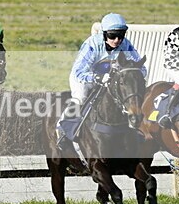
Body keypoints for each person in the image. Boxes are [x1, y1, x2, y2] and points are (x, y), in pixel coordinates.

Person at [56, 13, 145, 149]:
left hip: (112, 82)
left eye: (120, 36)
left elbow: (141, 68)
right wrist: (97, 77)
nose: (116, 40)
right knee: (80, 97)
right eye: (112, 36)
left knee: (128, 97)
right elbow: (78, 73)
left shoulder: (126, 45)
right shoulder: (92, 44)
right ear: (104, 34)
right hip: (86, 79)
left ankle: (133, 131)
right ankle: (62, 129)